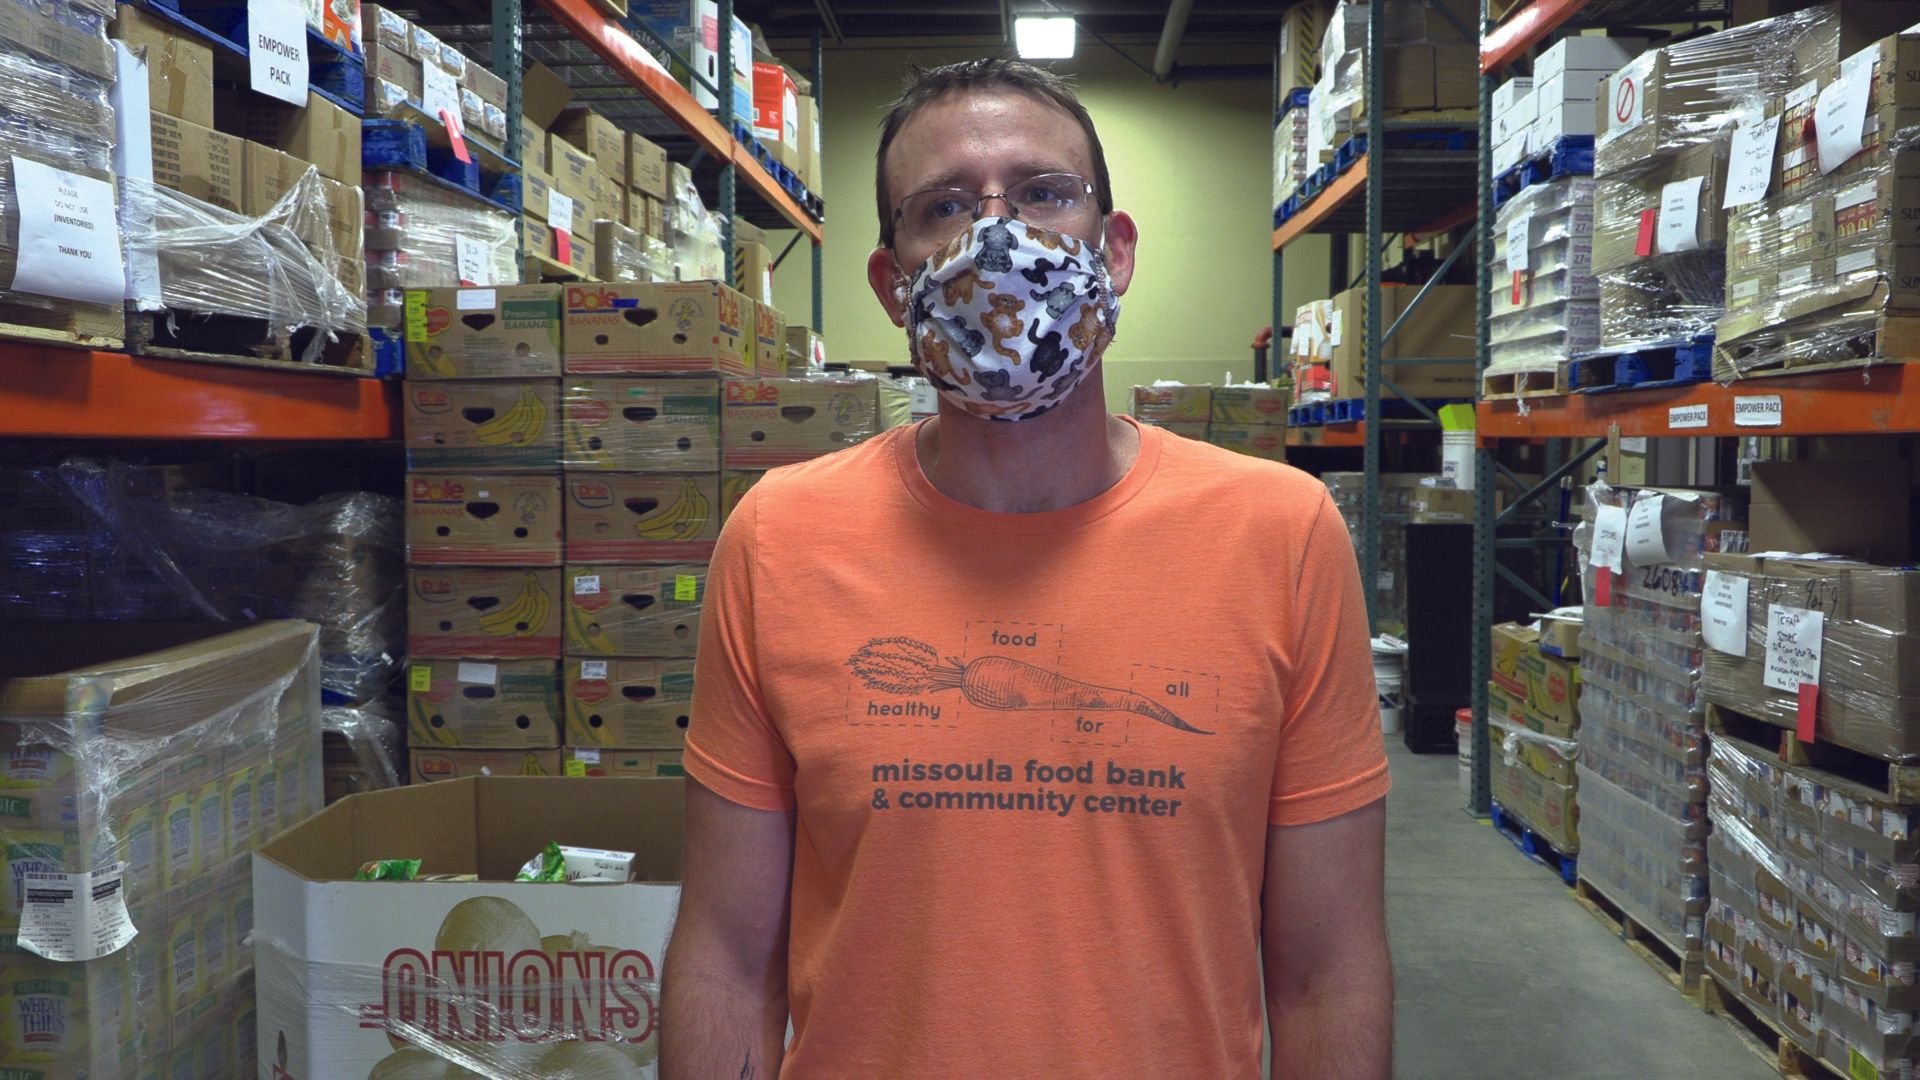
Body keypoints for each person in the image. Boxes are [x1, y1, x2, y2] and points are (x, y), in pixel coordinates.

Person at [661, 57, 1392, 1079]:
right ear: (893, 282)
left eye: (1044, 194)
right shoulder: (780, 538)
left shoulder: (1280, 533)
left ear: (1116, 248)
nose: (996, 237)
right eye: (944, 207)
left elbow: (1328, 974)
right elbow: (729, 962)